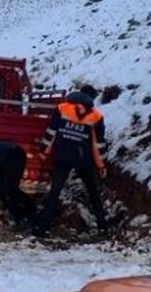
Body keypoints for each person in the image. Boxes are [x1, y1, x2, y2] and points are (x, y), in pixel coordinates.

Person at [32, 90, 111, 239]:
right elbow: (97, 144)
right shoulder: (96, 117)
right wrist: (101, 165)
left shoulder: (62, 108)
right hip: (83, 160)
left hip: (62, 157)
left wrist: (43, 152)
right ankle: (102, 226)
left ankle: (41, 228)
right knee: (93, 192)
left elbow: (51, 133)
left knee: (54, 192)